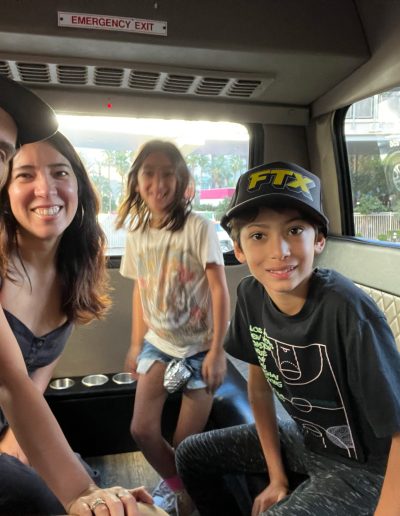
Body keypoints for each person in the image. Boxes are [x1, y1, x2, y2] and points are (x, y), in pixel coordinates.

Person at [175, 161, 400, 516]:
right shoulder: (251, 295)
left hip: (368, 470)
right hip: (307, 440)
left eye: (295, 230)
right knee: (191, 454)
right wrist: (276, 477)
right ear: (238, 249)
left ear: (319, 239)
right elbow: (260, 388)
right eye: (258, 236)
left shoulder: (348, 311)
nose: (279, 251)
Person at [0, 76, 167, 516]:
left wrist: (17, 436)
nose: (46, 190)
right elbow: (10, 382)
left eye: (60, 173)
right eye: (25, 174)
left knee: (116, 494)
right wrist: (80, 493)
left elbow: (32, 376)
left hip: (14, 420)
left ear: (79, 187)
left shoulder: (73, 272)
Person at [116, 140, 230, 515]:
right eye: (149, 173)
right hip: (159, 344)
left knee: (185, 445)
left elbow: (219, 290)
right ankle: (182, 488)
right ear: (136, 181)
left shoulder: (199, 228)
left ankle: (187, 495)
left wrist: (217, 351)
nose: (158, 183)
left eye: (168, 173)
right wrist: (136, 343)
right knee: (141, 429)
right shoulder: (137, 234)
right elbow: (139, 290)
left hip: (200, 349)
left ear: (181, 180)